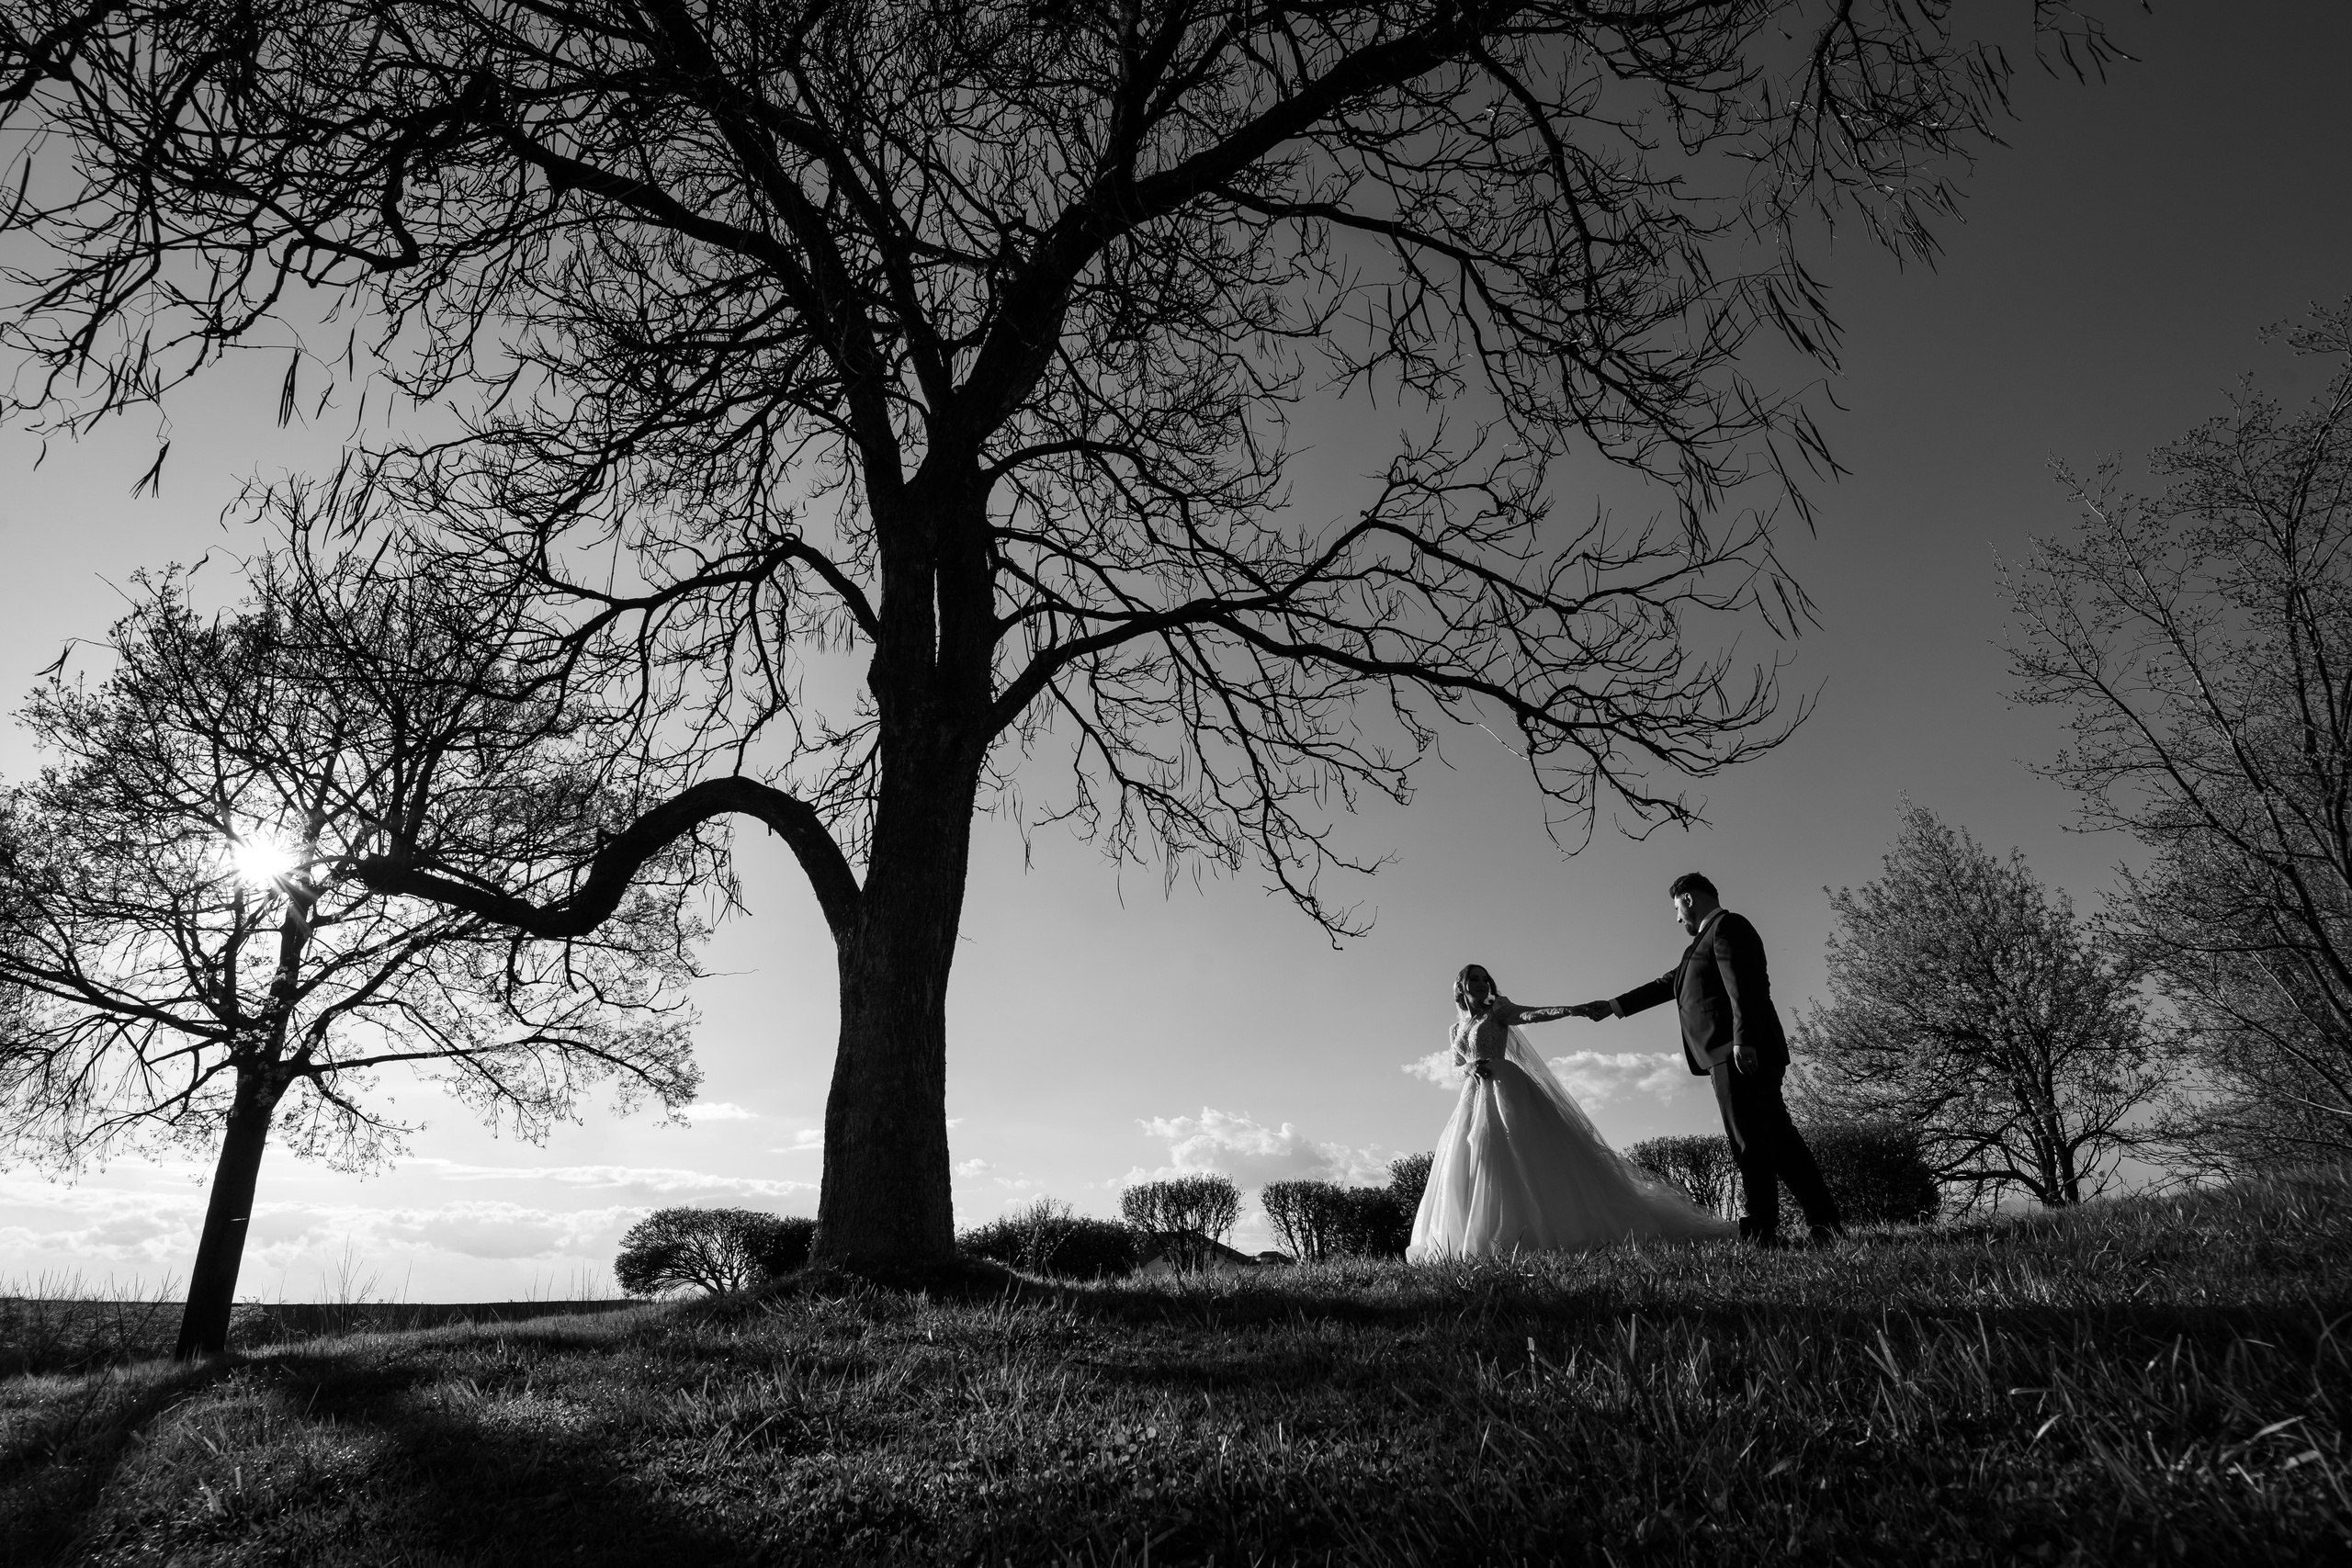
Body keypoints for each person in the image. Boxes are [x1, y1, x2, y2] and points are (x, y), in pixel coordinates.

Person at [1567, 873, 1844, 1247]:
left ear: (1688, 899)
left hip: (1737, 1053)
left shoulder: (1729, 927)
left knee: (1750, 1143)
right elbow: (1669, 983)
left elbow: (1745, 986)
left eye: (1676, 908)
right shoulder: (1700, 945)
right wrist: (1614, 1005)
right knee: (1780, 1142)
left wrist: (1743, 1039)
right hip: (1731, 1054)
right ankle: (1825, 1225)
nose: (1676, 917)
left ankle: (1762, 1229)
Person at [1406, 963, 1729, 1260]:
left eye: (1484, 979)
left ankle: (1536, 1231)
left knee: (1518, 1155)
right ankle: (1479, 1238)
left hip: (1506, 1090)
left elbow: (1531, 1015)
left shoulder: (1498, 1010)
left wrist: (1570, 1010)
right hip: (1473, 1095)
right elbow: (1456, 1067)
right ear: (1460, 987)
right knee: (1474, 1158)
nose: (1480, 984)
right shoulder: (1455, 1029)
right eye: (1473, 979)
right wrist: (1470, 1068)